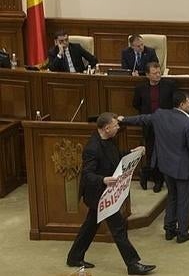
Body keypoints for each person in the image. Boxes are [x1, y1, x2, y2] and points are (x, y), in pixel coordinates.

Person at [66, 112, 156, 275]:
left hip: (105, 191)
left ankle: (74, 257)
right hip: (99, 194)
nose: (118, 128)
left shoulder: (109, 140)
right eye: (115, 126)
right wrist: (104, 180)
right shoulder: (92, 148)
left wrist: (131, 151)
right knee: (118, 228)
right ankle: (133, 264)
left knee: (90, 226)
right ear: (106, 128)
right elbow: (87, 174)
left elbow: (115, 157)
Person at [120, 91, 189, 243]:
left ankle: (169, 229)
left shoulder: (160, 115)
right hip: (184, 170)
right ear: (181, 104)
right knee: (184, 201)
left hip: (166, 167)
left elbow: (142, 119)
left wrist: (123, 119)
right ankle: (182, 233)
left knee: (172, 197)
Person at [132, 62, 177, 192]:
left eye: (159, 72)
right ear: (147, 75)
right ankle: (149, 176)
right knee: (151, 152)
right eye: (155, 73)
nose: (158, 75)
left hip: (165, 125)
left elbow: (174, 104)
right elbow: (136, 104)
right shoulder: (140, 88)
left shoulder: (169, 86)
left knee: (163, 152)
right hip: (149, 125)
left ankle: (156, 179)